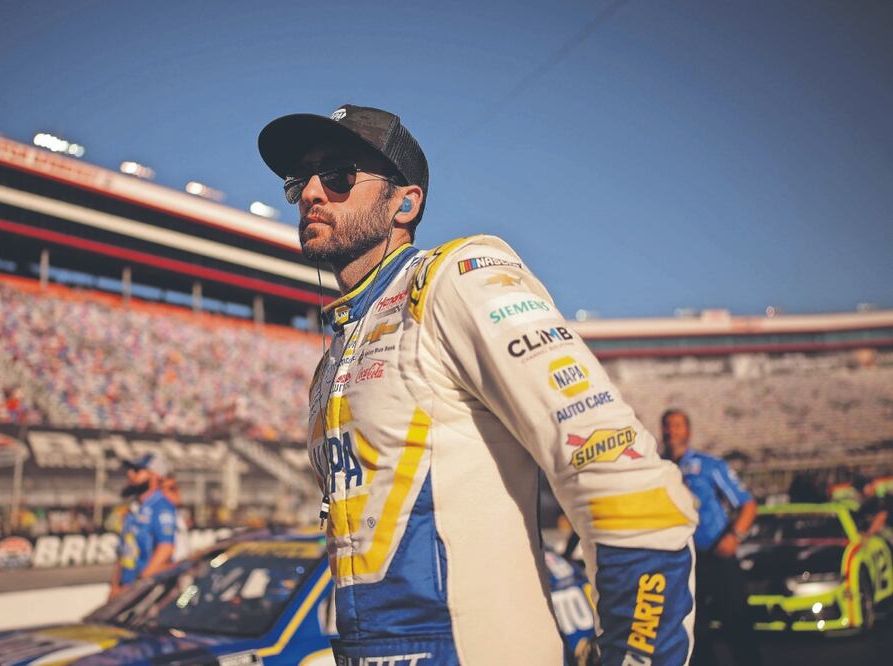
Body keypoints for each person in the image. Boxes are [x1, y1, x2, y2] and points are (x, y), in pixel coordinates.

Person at [258, 104, 699, 665]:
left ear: (406, 202)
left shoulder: (456, 277)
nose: (313, 193)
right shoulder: (335, 355)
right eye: (302, 181)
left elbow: (627, 481)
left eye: (341, 175)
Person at [660, 409, 759, 666]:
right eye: (667, 426)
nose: (672, 431)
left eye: (677, 425)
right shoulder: (658, 471)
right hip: (682, 564)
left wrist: (734, 536)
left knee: (737, 626)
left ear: (688, 431)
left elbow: (747, 504)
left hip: (717, 556)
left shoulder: (709, 466)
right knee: (694, 632)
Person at [109, 452, 178, 600]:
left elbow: (166, 549)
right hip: (125, 589)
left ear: (154, 476)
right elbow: (123, 552)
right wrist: (115, 586)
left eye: (137, 470)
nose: (130, 474)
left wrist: (139, 584)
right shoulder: (133, 506)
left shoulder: (161, 506)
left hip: (144, 592)